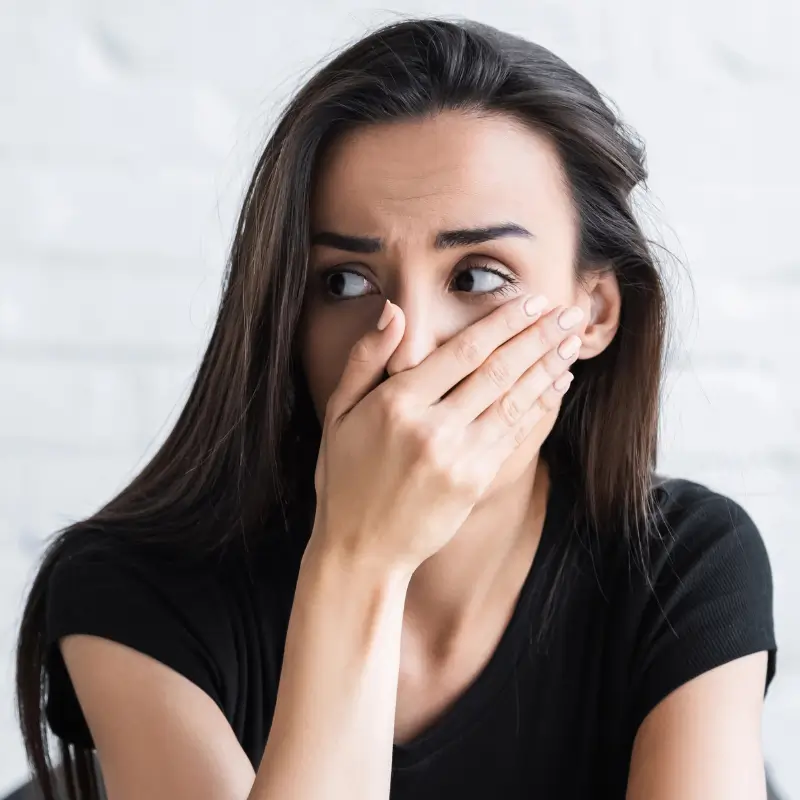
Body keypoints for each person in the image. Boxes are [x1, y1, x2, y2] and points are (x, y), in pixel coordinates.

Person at [15, 16, 777, 800]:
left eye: (478, 277)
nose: (408, 352)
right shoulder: (136, 593)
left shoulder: (683, 566)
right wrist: (359, 563)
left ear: (595, 313)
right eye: (345, 282)